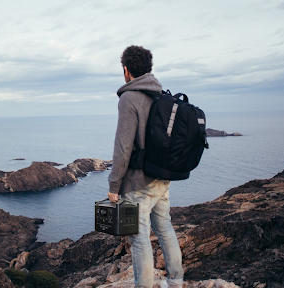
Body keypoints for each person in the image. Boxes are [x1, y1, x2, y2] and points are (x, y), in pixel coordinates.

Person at [107, 45, 184, 288]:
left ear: (126, 70)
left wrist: (114, 185)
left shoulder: (129, 98)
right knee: (165, 229)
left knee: (139, 239)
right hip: (161, 177)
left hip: (138, 183)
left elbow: (123, 146)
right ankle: (176, 281)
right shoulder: (160, 95)